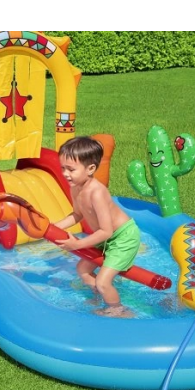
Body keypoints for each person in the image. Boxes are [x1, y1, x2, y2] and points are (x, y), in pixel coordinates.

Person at [54, 136, 141, 318]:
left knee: (102, 282)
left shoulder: (97, 193)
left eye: (71, 169)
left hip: (123, 237)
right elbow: (77, 214)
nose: (65, 174)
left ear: (91, 169)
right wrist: (54, 227)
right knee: (83, 269)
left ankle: (119, 311)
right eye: (63, 168)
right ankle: (101, 297)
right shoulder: (75, 187)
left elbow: (106, 231)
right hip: (105, 237)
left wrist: (76, 245)